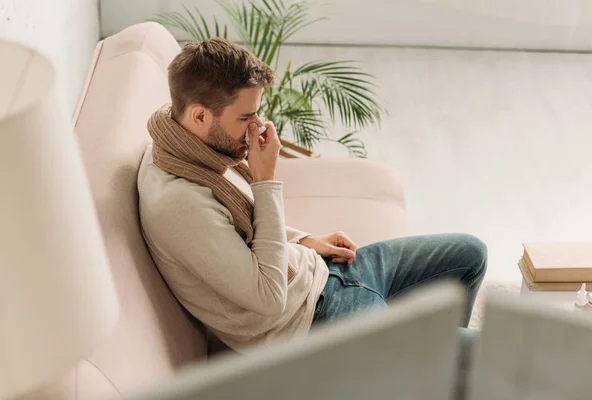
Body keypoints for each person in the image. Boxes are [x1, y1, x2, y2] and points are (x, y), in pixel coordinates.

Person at [137, 38, 487, 389]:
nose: (257, 126)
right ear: (199, 115)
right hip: (319, 321)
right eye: (245, 117)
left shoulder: (190, 147)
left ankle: (426, 377)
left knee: (470, 254)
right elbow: (269, 298)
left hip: (327, 275)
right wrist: (265, 181)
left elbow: (241, 226)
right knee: (487, 354)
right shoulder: (180, 202)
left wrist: (304, 239)